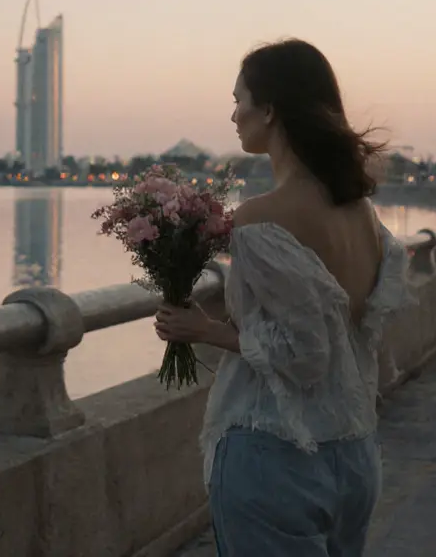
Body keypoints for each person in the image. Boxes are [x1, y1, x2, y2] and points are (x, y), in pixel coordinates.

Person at [154, 39, 412, 556]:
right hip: (354, 455)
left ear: (269, 109)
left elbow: (305, 352)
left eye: (239, 100)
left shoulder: (259, 217)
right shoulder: (361, 213)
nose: (233, 115)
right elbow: (343, 329)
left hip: (275, 453)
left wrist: (204, 330)